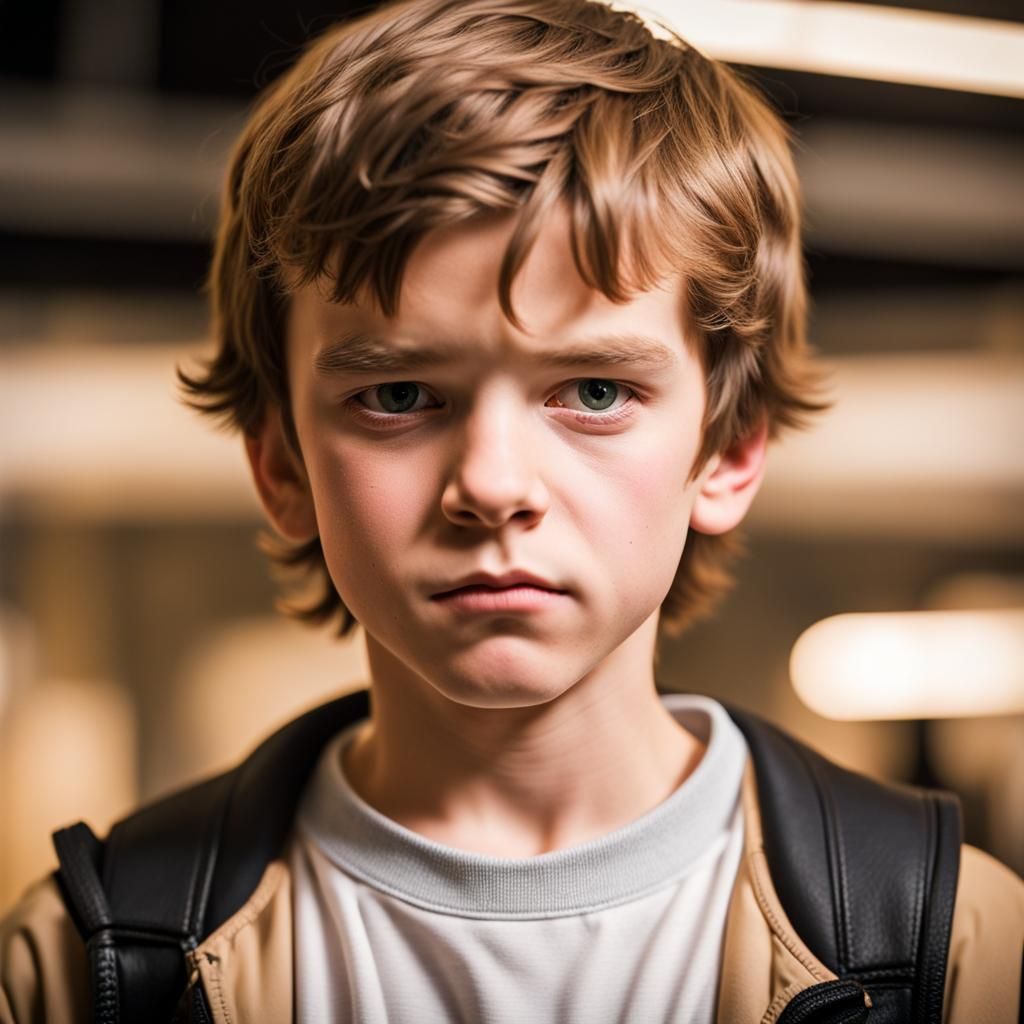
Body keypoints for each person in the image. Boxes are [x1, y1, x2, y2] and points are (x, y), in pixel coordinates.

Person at [2, 1, 1022, 1021]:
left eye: (592, 391)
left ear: (728, 446)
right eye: (398, 396)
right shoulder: (78, 964)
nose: (491, 484)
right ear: (281, 464)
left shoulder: (959, 949)